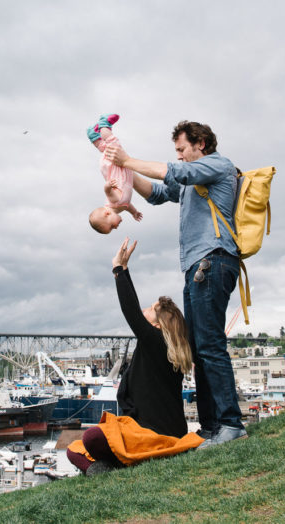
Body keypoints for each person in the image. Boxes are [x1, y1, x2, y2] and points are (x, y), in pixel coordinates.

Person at [104, 120, 246, 447]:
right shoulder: (191, 178)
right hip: (197, 266)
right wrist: (123, 175)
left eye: (182, 149)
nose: (179, 156)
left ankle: (230, 424)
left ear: (202, 144)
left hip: (213, 259)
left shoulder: (216, 166)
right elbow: (156, 193)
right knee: (200, 348)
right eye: (176, 151)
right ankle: (212, 428)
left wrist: (126, 159)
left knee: (210, 344)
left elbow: (174, 173)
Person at [66, 238, 201, 475]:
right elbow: (136, 313)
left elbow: (130, 310)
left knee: (91, 437)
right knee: (73, 449)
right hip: (152, 432)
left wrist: (119, 269)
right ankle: (109, 467)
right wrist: (125, 270)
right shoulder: (162, 348)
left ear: (160, 326)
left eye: (150, 310)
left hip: (151, 434)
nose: (143, 311)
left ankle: (112, 465)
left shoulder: (156, 344)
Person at [87, 113, 143, 234]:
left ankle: (104, 125)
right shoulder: (120, 206)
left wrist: (108, 186)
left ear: (107, 213)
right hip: (114, 168)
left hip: (115, 168)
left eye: (112, 226)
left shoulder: (114, 202)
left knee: (113, 144)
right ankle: (94, 137)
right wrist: (134, 212)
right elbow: (127, 205)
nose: (116, 228)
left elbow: (108, 192)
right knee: (106, 148)